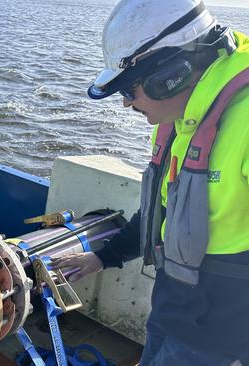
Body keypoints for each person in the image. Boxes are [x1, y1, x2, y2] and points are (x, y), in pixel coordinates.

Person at [51, 1, 249, 365]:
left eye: (129, 90)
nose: (126, 104)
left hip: (222, 343)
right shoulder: (183, 116)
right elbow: (164, 209)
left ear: (169, 77)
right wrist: (103, 257)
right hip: (174, 315)